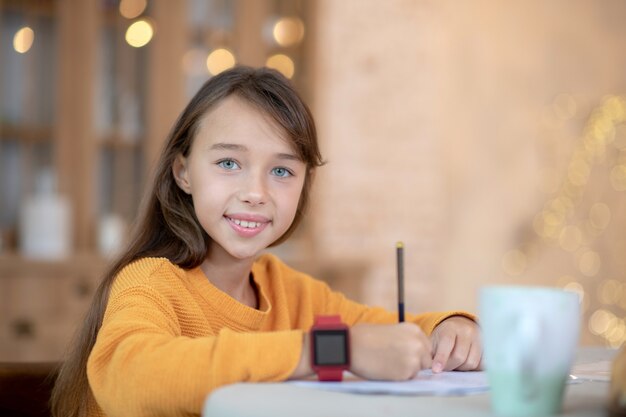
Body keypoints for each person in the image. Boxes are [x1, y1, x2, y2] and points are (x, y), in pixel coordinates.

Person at [51, 66, 482, 417]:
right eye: (228, 162)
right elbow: (133, 378)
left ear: (304, 184)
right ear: (183, 172)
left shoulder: (290, 291)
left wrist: (449, 328)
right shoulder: (148, 283)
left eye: (281, 171)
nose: (256, 192)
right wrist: (327, 350)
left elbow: (379, 330)